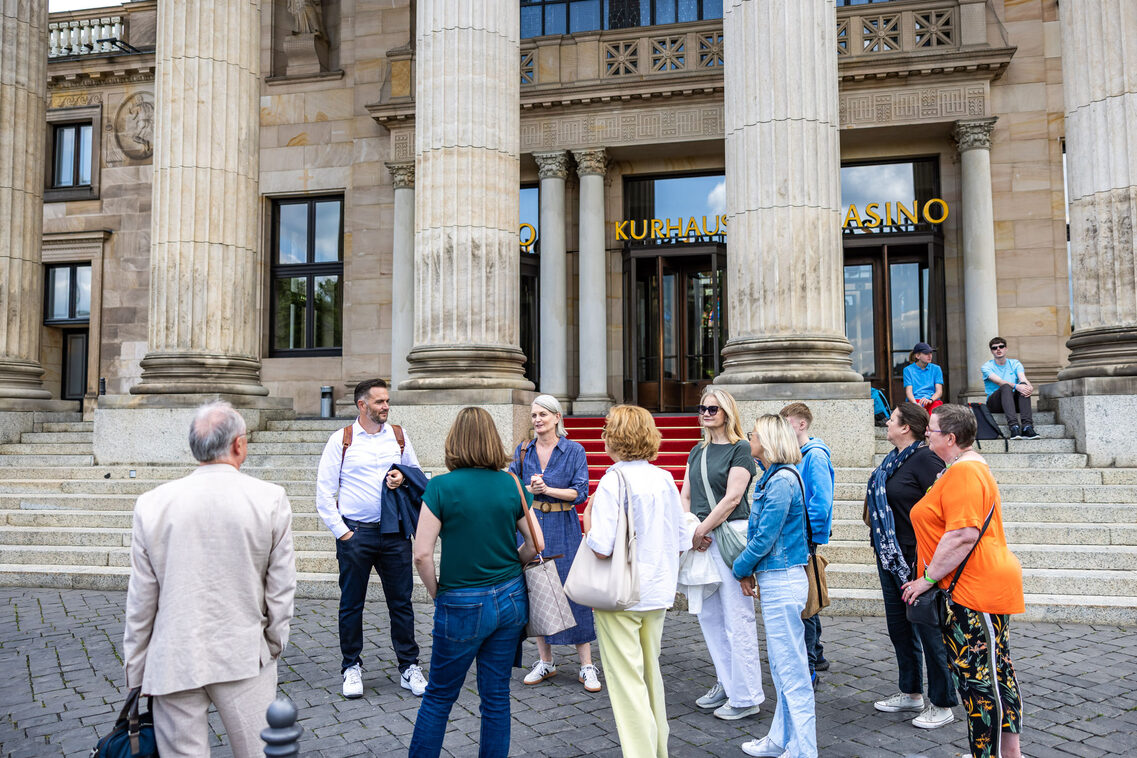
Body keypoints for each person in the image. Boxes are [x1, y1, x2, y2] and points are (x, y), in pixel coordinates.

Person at [123, 402, 295, 758]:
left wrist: (137, 667)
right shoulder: (269, 499)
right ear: (238, 445)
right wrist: (274, 643)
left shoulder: (152, 504)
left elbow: (141, 600)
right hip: (244, 651)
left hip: (174, 655)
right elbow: (281, 589)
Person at [409, 407, 540, 758]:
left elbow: (421, 554)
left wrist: (436, 591)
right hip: (511, 597)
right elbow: (536, 543)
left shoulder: (440, 486)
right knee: (496, 697)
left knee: (439, 696)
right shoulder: (510, 483)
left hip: (461, 599)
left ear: (454, 441)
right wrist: (513, 565)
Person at [902, 404, 1025, 758]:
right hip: (970, 586)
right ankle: (1006, 752)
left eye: (932, 430)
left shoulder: (965, 472)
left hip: (975, 588)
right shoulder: (958, 469)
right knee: (992, 673)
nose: (926, 433)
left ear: (951, 438)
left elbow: (963, 535)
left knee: (980, 680)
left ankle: (990, 754)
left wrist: (926, 579)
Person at [581, 405, 686, 758]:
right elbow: (680, 536)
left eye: (607, 429)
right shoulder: (664, 478)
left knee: (627, 683)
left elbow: (600, 546)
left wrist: (587, 519)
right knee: (649, 675)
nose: (602, 435)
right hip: (657, 590)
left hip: (621, 593)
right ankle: (658, 750)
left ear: (616, 437)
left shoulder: (614, 479)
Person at [315, 378, 427, 699]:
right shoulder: (342, 440)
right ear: (362, 405)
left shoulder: (399, 437)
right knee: (352, 604)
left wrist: (402, 475)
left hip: (394, 534)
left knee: (401, 603)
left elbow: (417, 475)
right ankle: (352, 666)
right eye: (379, 402)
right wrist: (345, 534)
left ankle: (409, 666)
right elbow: (324, 493)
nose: (386, 407)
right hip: (356, 534)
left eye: (387, 401)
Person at [865, 402, 958, 730]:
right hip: (891, 556)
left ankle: (943, 701)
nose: (886, 424)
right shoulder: (893, 459)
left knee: (928, 630)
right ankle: (911, 691)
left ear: (906, 427)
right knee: (900, 628)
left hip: (917, 559)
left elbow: (943, 510)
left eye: (891, 420)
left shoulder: (924, 459)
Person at [733, 414, 816, 758]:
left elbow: (765, 536)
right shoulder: (771, 476)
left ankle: (803, 750)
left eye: (752, 434)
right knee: (783, 668)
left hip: (783, 579)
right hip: (776, 577)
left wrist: (740, 568)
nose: (748, 438)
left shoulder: (781, 479)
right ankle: (781, 739)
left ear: (766, 441)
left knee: (792, 671)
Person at [681, 387, 764, 720]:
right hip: (701, 539)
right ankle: (727, 682)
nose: (705, 414)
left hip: (728, 537)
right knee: (710, 618)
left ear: (727, 412)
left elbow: (732, 499)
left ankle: (746, 697)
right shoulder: (697, 450)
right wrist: (690, 531)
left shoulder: (740, 448)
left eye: (712, 409)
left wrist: (701, 531)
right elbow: (685, 495)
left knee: (737, 617)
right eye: (702, 408)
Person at [508, 395, 598, 691]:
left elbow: (580, 492)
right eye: (534, 415)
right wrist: (527, 489)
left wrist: (548, 489)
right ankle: (545, 661)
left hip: (564, 523)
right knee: (537, 589)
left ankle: (586, 665)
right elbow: (510, 485)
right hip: (532, 524)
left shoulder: (573, 450)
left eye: (543, 415)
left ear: (557, 417)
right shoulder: (524, 450)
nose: (537, 420)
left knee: (572, 589)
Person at [779, 403, 834, 684]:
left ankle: (811, 662)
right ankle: (818, 653)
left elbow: (820, 503)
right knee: (808, 594)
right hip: (801, 535)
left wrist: (806, 533)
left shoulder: (814, 456)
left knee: (806, 602)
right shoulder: (797, 455)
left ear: (801, 424)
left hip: (805, 537)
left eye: (786, 422)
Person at [982, 337, 1039, 440]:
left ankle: (1027, 427)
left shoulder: (1015, 363)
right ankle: (1014, 427)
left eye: (1001, 346)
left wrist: (1028, 386)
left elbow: (1023, 378)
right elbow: (1000, 382)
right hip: (995, 404)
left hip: (1012, 402)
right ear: (991, 351)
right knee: (1006, 386)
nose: (998, 349)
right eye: (995, 348)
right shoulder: (986, 367)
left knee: (1023, 385)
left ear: (1006, 348)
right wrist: (1018, 386)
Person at [903, 342, 944, 411]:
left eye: (930, 353)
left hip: (932, 400)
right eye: (926, 353)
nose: (929, 355)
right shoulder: (908, 370)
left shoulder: (936, 369)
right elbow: (909, 392)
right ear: (918, 356)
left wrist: (930, 400)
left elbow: (939, 391)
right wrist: (916, 404)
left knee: (935, 417)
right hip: (914, 401)